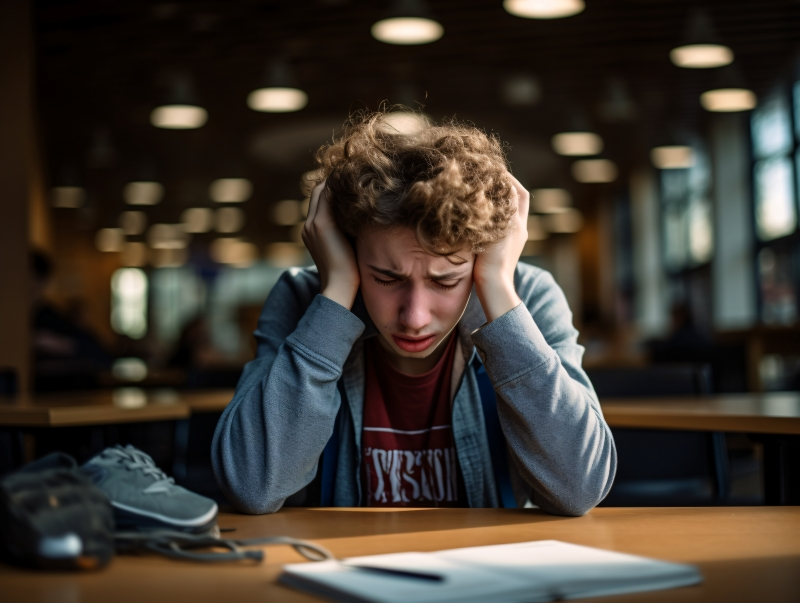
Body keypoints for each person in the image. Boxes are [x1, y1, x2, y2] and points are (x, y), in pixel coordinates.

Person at [212, 112, 616, 516]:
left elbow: (578, 489)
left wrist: (496, 289)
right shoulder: (304, 298)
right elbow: (253, 486)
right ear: (349, 254)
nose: (415, 317)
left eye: (445, 281)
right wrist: (335, 295)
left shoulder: (524, 296)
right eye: (387, 278)